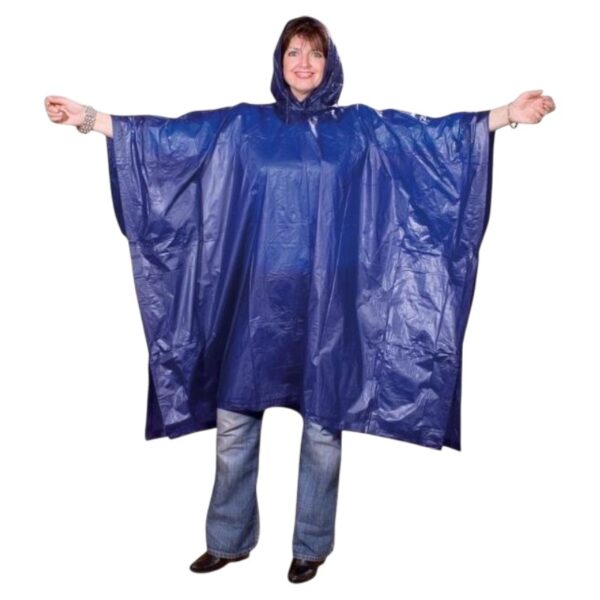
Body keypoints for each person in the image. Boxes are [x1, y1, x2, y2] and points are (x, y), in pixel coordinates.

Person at [44, 16, 555, 584]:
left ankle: (311, 545)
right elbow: (170, 143)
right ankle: (228, 540)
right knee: (235, 419)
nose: (304, 64)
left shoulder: (360, 129)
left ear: (329, 63)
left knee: (322, 423)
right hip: (254, 298)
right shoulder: (244, 127)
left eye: (314, 53)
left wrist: (505, 115)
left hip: (331, 301)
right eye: (293, 53)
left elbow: (432, 142)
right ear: (279, 62)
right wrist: (90, 119)